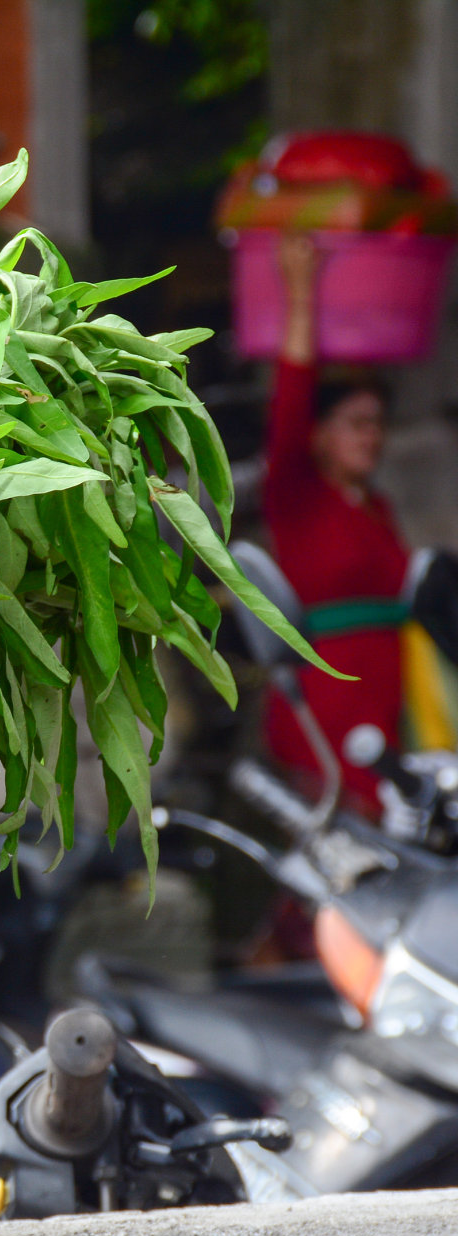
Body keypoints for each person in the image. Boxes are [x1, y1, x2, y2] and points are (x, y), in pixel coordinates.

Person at [264, 235, 412, 807]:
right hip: (324, 705)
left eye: (377, 424)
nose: (371, 436)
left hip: (389, 702)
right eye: (356, 423)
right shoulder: (296, 493)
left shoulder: (380, 508)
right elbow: (292, 395)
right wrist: (301, 293)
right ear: (318, 434)